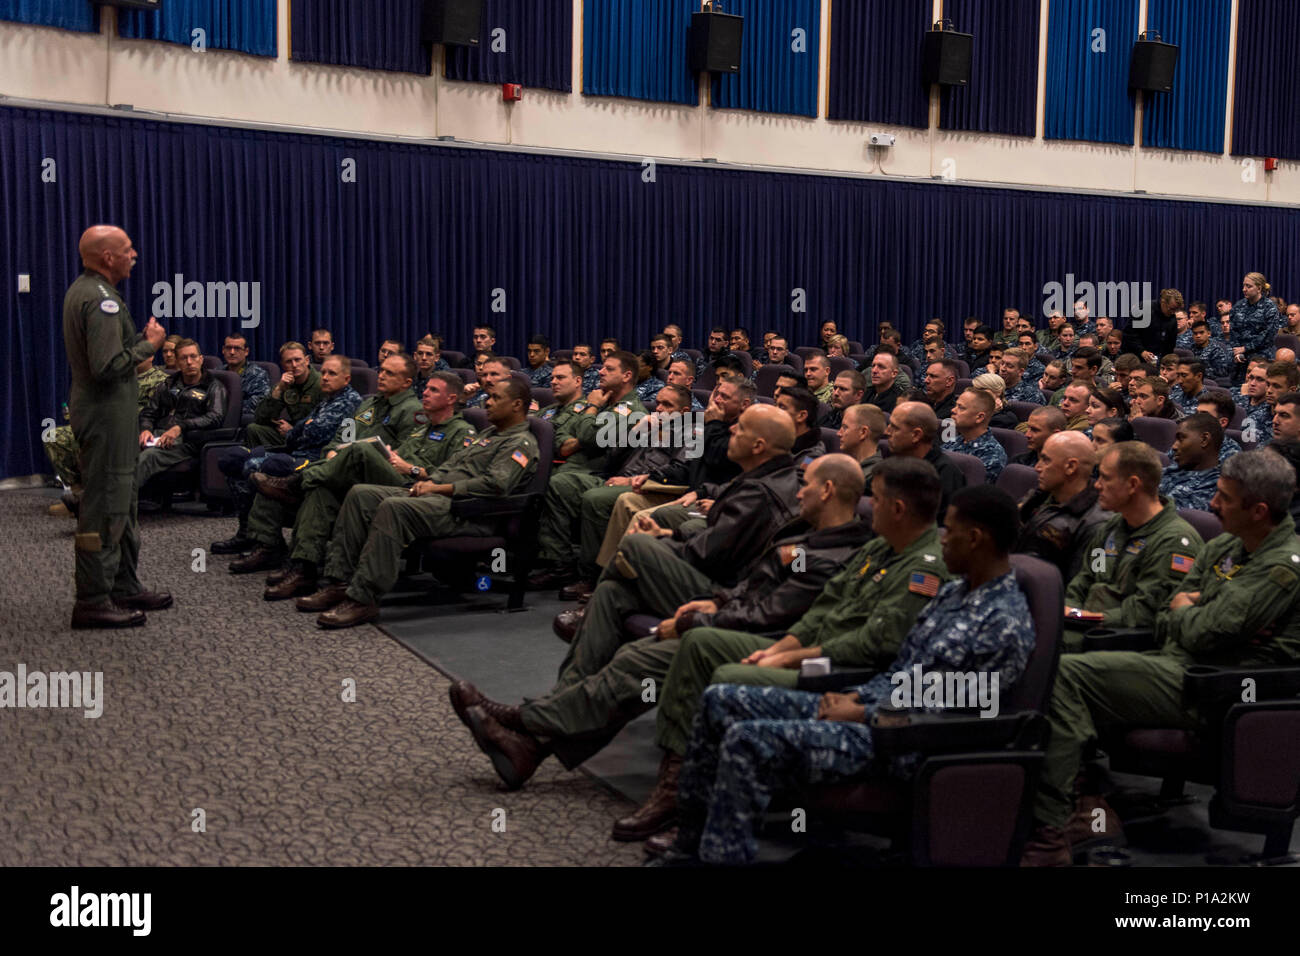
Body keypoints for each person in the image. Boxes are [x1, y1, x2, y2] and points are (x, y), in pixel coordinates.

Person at [660, 484, 1035, 866]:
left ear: (975, 539)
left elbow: (960, 711)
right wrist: (857, 698)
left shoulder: (1003, 623)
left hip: (903, 745)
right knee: (720, 700)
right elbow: (902, 672)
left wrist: (864, 713)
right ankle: (688, 848)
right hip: (870, 712)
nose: (943, 540)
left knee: (747, 739)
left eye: (950, 531)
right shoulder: (954, 593)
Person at [452, 454, 873, 794]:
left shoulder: (829, 554)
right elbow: (751, 590)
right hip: (736, 616)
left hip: (764, 644)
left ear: (829, 490)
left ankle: (527, 722)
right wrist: (713, 601)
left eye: (807, 485)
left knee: (639, 651)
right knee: (618, 600)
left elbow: (767, 616)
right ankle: (531, 742)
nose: (799, 492)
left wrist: (696, 618)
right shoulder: (804, 535)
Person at [609, 456, 949, 841]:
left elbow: (873, 643)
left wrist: (790, 655)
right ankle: (683, 795)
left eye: (879, 498)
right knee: (700, 641)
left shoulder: (925, 569)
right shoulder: (879, 549)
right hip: (808, 649)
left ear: (898, 509)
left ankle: (694, 805)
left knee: (726, 678)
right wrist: (783, 649)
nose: (869, 503)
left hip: (846, 673)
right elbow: (824, 609)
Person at [1024, 450, 1300, 865]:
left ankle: (1062, 821)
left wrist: (1191, 611)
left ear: (1259, 510)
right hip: (1179, 660)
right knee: (1055, 663)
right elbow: (1176, 611)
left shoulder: (1284, 565)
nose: (1211, 504)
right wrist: (1194, 610)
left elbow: (1204, 629)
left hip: (1221, 686)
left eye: (1223, 498)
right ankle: (1081, 801)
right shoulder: (1227, 544)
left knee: (1064, 675)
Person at [298, 379, 540, 628]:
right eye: (488, 396)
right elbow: (451, 464)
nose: (487, 402)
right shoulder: (489, 433)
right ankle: (339, 582)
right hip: (438, 498)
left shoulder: (521, 443)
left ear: (517, 405)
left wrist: (437, 488)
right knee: (361, 494)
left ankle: (364, 599)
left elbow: (495, 486)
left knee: (394, 507)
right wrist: (427, 482)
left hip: (469, 511)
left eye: (496, 398)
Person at [249, 372, 473, 599]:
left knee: (360, 450)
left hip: (416, 489)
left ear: (451, 399)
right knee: (322, 491)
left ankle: (297, 483)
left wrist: (412, 469)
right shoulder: (421, 428)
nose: (425, 392)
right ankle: (305, 568)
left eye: (434, 390)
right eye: (426, 389)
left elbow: (453, 479)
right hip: (390, 480)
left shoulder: (462, 432)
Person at [61, 224, 172, 628]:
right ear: (108, 257)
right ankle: (91, 601)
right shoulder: (99, 298)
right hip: (106, 417)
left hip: (114, 417)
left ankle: (122, 585)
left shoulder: (92, 291)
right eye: (128, 249)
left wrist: (137, 350)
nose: (134, 254)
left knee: (122, 503)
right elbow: (107, 367)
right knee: (103, 507)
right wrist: (150, 345)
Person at [230, 353, 422, 575]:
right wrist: (332, 451)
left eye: (390, 373)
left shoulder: (412, 411)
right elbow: (342, 436)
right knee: (274, 481)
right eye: (382, 370)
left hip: (377, 475)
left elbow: (407, 457)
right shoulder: (369, 404)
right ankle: (272, 549)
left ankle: (297, 484)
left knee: (282, 479)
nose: (382, 376)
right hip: (344, 467)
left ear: (407, 382)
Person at [1061, 442, 1203, 651]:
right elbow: (1088, 577)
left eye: (1105, 478)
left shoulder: (1174, 542)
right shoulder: (1112, 528)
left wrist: (1085, 618)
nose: (1097, 485)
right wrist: (1070, 611)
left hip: (1122, 641)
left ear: (1133, 485)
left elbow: (1147, 613)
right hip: (1084, 626)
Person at [46, 357, 168, 518]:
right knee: (53, 436)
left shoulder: (161, 380)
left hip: (131, 429)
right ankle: (78, 494)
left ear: (150, 356)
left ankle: (89, 501)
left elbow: (152, 413)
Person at [135, 338, 229, 493]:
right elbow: (149, 412)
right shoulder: (168, 384)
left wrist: (182, 426)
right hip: (158, 436)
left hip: (188, 442)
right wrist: (145, 429)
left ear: (201, 359)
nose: (189, 362)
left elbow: (215, 417)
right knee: (120, 450)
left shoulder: (213, 387)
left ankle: (116, 506)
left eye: (193, 357)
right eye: (184, 358)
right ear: (178, 362)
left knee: (148, 457)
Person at [1015, 432, 1105, 581]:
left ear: (1071, 467)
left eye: (1046, 460)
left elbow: (1089, 584)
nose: (1037, 467)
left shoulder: (1098, 524)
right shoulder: (1040, 496)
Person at [885, 401, 967, 515]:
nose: (887, 432)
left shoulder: (944, 473)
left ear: (916, 435)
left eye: (895, 428)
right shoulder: (893, 459)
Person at [941, 388, 1006, 483]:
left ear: (979, 417)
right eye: (955, 405)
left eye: (961, 407)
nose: (953, 410)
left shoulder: (992, 455)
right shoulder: (954, 440)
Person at [1229, 272, 1282, 373]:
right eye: (1244, 285)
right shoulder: (1238, 306)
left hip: (1261, 354)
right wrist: (1236, 351)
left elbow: (1268, 335)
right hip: (1240, 354)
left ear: (1259, 288)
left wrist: (1245, 348)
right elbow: (1233, 331)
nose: (1244, 289)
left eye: (1248, 286)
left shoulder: (1270, 307)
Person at [221, 333, 271, 417]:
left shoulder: (257, 374)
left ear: (246, 351)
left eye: (237, 348)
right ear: (223, 350)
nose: (232, 352)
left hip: (241, 420)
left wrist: (226, 408)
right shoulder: (218, 372)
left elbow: (259, 403)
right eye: (228, 348)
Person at [837, 402, 886, 483]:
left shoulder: (872, 477)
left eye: (845, 427)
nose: (838, 433)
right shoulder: (848, 465)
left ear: (863, 432)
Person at [1196, 390, 1243, 462]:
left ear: (1223, 422)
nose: (1195, 418)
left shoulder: (1231, 455)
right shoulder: (1189, 441)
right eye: (1196, 413)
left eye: (1204, 415)